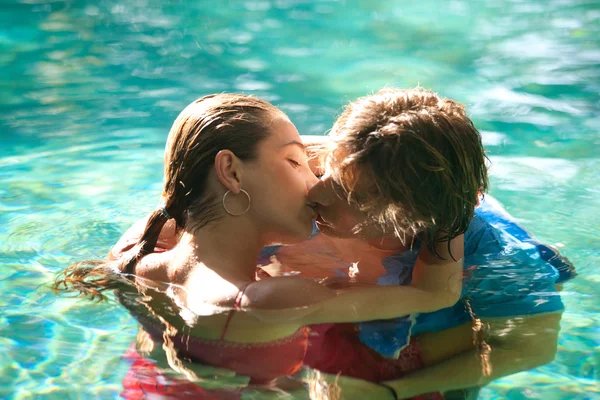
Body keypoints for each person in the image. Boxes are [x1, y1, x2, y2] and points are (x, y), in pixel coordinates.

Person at [53, 93, 485, 398]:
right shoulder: (273, 299)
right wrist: (450, 210)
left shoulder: (135, 258)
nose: (317, 181)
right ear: (232, 173)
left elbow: (184, 198)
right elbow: (435, 294)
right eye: (297, 161)